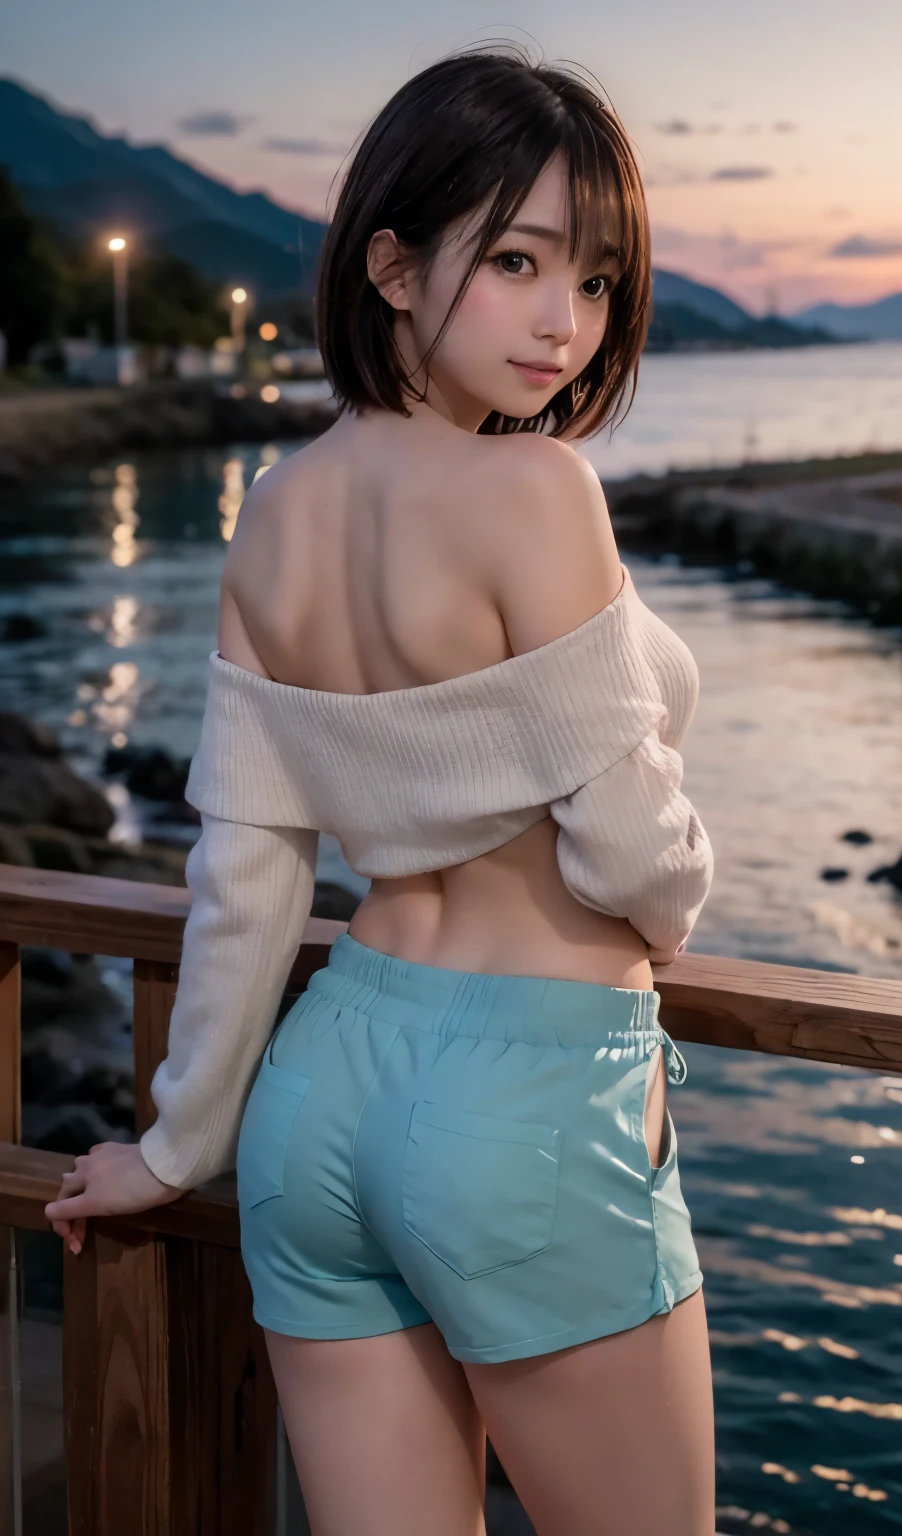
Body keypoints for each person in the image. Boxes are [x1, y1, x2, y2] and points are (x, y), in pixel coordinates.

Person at [45, 48, 716, 1536]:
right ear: (394, 265)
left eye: (597, 280)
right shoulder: (537, 491)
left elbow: (248, 877)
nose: (566, 322)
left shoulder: (271, 521)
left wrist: (174, 1147)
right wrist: (680, 900)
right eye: (522, 261)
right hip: (532, 1099)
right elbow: (629, 851)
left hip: (322, 1092)